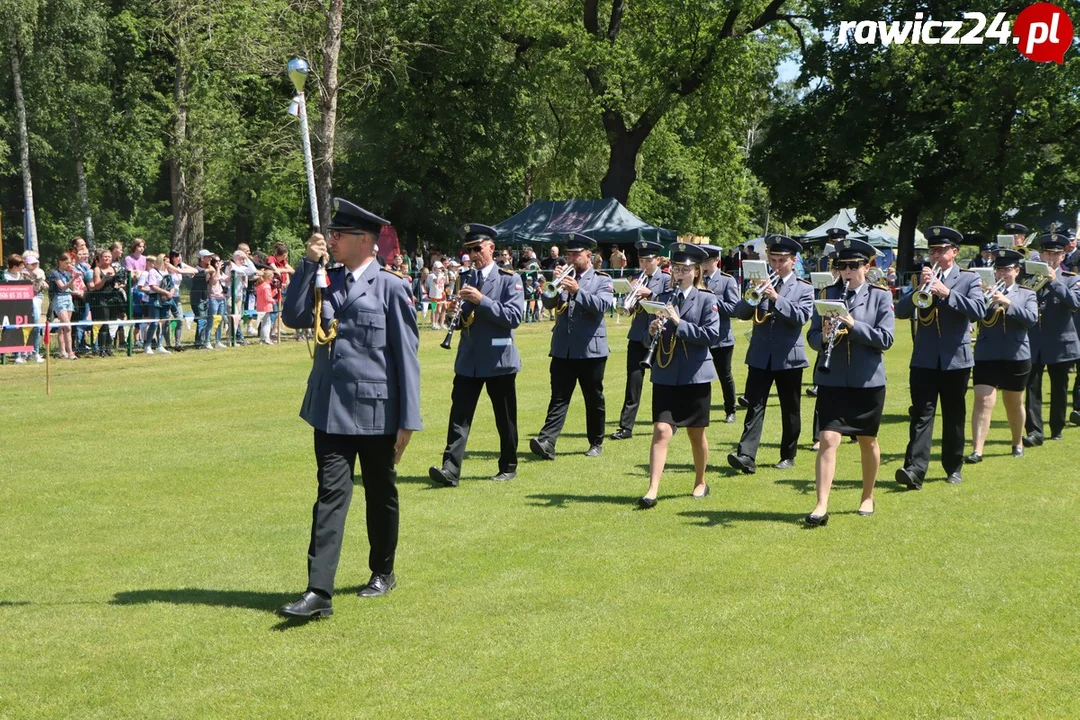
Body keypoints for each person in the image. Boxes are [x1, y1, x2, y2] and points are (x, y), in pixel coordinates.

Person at [278, 198, 421, 619]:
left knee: (381, 496)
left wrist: (408, 422)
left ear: (364, 240)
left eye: (339, 235)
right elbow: (294, 316)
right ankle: (319, 592)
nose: (332, 240)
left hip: (378, 411)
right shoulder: (326, 279)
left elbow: (406, 358)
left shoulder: (391, 286)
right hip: (331, 409)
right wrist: (307, 265)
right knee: (330, 496)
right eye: (331, 234)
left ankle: (383, 570)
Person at [804, 239, 896, 525]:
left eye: (853, 266)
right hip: (832, 378)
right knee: (828, 437)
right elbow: (812, 336)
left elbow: (886, 339)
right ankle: (821, 504)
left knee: (867, 441)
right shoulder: (827, 294)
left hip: (866, 380)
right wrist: (823, 335)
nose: (847, 271)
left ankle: (867, 495)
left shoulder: (880, 296)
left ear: (867, 267)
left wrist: (854, 325)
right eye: (841, 266)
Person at [429, 224, 525, 486]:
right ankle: (450, 469)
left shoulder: (509, 278)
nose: (473, 254)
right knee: (458, 417)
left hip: (499, 359)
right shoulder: (464, 278)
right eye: (469, 249)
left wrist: (483, 300)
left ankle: (508, 465)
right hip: (469, 358)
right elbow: (463, 320)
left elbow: (514, 317)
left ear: (491, 248)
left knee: (505, 419)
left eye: (477, 248)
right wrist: (453, 316)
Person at [894, 226, 986, 489]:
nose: (934, 255)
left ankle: (953, 466)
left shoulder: (969, 279)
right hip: (923, 359)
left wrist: (946, 293)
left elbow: (979, 310)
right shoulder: (919, 279)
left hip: (955, 359)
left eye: (940, 250)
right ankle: (914, 470)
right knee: (921, 415)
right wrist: (920, 288)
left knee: (954, 415)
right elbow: (901, 312)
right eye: (932, 250)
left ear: (954, 252)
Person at [636, 244, 720, 508]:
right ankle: (652, 489)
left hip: (695, 376)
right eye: (676, 269)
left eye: (685, 269)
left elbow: (711, 335)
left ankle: (700, 481)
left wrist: (678, 323)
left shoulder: (707, 299)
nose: (679, 273)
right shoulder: (663, 297)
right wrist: (651, 330)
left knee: (696, 434)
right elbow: (643, 339)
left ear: (696, 272)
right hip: (666, 373)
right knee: (661, 430)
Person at [727, 235, 814, 474]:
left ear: (794, 261)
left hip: (789, 357)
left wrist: (776, 297)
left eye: (781, 260)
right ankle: (746, 455)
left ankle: (788, 454)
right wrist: (753, 295)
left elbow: (801, 318)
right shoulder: (758, 283)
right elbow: (741, 313)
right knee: (754, 406)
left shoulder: (804, 288)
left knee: (790, 408)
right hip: (760, 355)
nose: (776, 265)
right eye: (773, 260)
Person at [530, 233, 614, 460]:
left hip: (590, 350)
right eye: (569, 254)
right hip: (563, 348)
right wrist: (554, 285)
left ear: (589, 255)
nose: (571, 258)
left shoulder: (601, 279)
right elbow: (548, 302)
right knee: (559, 396)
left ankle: (596, 441)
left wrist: (578, 290)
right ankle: (547, 441)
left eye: (576, 254)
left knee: (593, 397)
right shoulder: (565, 277)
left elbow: (603, 305)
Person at [965, 249, 1038, 463]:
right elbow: (972, 314)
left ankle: (1017, 441)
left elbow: (1031, 319)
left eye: (1006, 269)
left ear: (1017, 271)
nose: (1001, 274)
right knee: (983, 400)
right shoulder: (983, 291)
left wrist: (1008, 303)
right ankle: (977, 450)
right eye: (998, 269)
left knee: (1013, 402)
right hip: (987, 353)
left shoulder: (1027, 293)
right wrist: (985, 300)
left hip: (1016, 354)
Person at [1022, 232, 1080, 447]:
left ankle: (1057, 427)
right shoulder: (1029, 279)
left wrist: (1055, 282)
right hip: (1034, 340)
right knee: (1031, 387)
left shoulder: (1072, 279)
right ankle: (1034, 431)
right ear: (1042, 254)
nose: (1051, 258)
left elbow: (1075, 303)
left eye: (1056, 254)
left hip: (1060, 342)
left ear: (1062, 257)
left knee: (1059, 387)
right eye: (1048, 253)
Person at [610, 241, 671, 440]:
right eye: (642, 260)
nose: (644, 264)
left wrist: (651, 293)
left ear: (658, 260)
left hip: (659, 336)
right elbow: (628, 310)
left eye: (648, 260)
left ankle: (663, 422)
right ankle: (626, 427)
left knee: (661, 382)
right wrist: (630, 294)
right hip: (637, 336)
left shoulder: (666, 279)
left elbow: (670, 303)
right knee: (633, 383)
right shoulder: (637, 278)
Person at [700, 244, 740, 424]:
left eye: (707, 261)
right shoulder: (697, 279)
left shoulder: (727, 281)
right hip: (701, 335)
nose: (704, 265)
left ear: (717, 260)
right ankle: (700, 410)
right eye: (702, 261)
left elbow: (734, 308)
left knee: (725, 376)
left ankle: (730, 409)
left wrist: (712, 299)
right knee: (700, 376)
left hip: (721, 337)